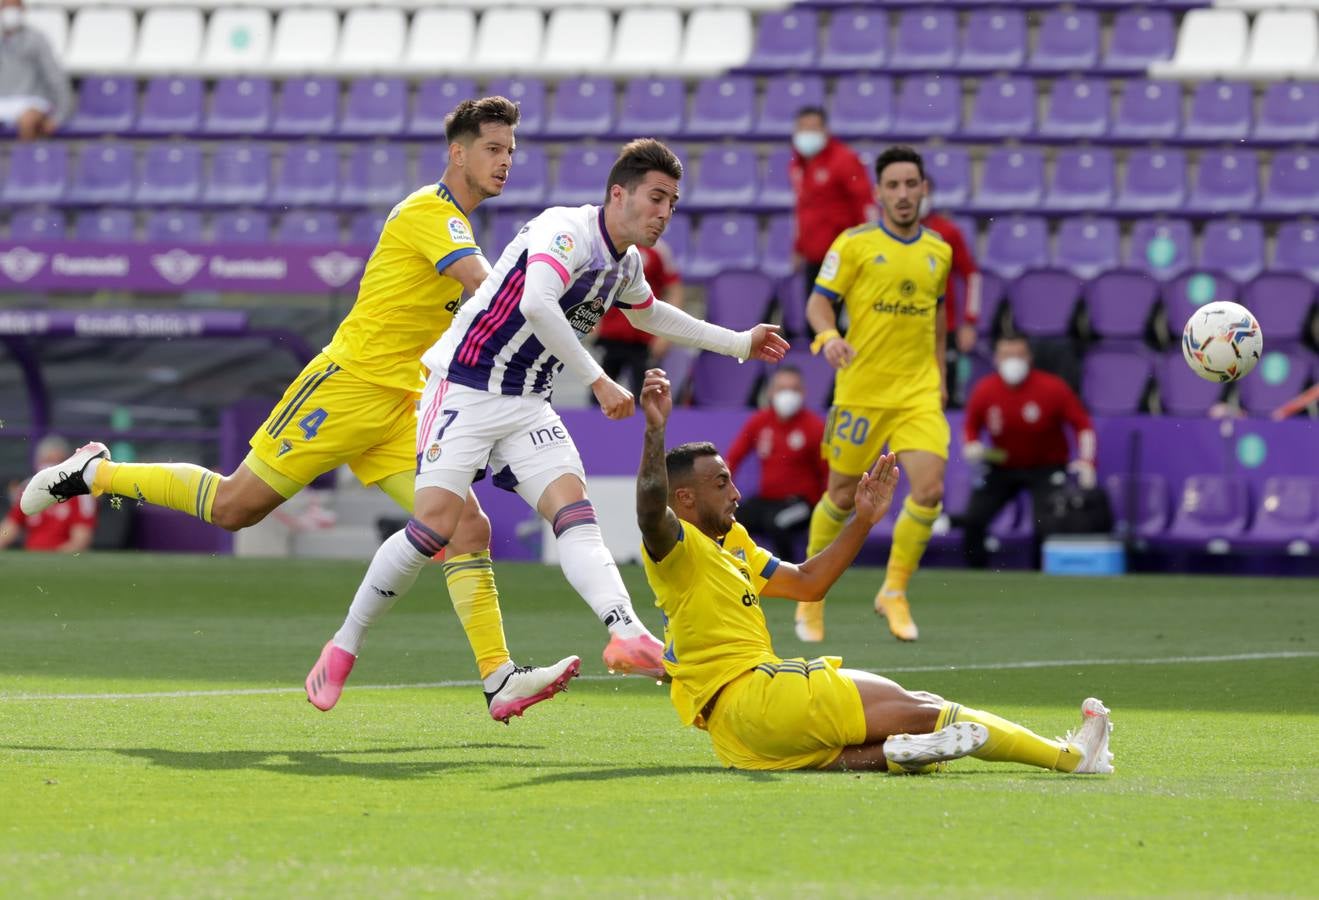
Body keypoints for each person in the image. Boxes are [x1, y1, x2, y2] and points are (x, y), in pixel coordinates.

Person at [21, 97, 579, 723]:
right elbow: (485, 289)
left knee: (466, 528)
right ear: (458, 152)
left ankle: (498, 678)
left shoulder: (465, 226)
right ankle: (95, 472)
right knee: (235, 507)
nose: (505, 162)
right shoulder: (431, 212)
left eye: (510, 151)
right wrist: (559, 299)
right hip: (345, 388)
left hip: (403, 404)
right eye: (493, 150)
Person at [330, 138, 789, 699]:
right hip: (464, 387)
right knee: (433, 530)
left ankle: (627, 634)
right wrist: (598, 379)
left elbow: (648, 313)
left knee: (575, 514)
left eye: (672, 201)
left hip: (527, 402)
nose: (664, 212)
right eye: (655, 197)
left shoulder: (627, 263)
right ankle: (346, 643)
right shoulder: (565, 231)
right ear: (618, 194)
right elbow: (536, 304)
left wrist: (739, 342)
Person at [633, 367, 1114, 774]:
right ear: (685, 500)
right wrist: (655, 431)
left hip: (739, 742)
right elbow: (651, 506)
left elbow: (808, 583)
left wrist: (862, 520)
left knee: (854, 752)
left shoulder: (732, 542)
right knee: (928, 709)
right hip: (759, 695)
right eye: (721, 483)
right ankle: (1071, 757)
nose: (736, 493)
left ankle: (893, 755)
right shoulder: (676, 544)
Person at [802, 145, 951, 644]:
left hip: (918, 392)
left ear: (924, 188)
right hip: (861, 391)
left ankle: (893, 590)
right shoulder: (854, 244)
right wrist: (828, 338)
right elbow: (819, 303)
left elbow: (938, 319)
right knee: (842, 496)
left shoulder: (940, 251)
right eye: (894, 186)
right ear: (879, 192)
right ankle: (810, 593)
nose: (904, 194)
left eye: (912, 184)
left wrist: (940, 375)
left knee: (929, 489)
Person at [960, 335, 1098, 569]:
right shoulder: (985, 390)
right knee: (974, 518)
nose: (1013, 361)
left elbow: (1083, 426)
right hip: (1003, 465)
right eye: (1006, 355)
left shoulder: (1052, 387)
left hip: (1046, 466)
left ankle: (1041, 573)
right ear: (996, 359)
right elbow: (971, 425)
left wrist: (1087, 462)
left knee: (1046, 523)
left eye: (1018, 355)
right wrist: (972, 444)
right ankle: (977, 571)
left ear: (1029, 358)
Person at [724, 365, 827, 560]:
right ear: (771, 391)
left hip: (801, 502)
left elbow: (827, 474)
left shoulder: (814, 427)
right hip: (766, 499)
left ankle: (792, 574)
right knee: (730, 522)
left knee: (778, 523)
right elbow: (733, 459)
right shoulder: (760, 422)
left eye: (793, 389)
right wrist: (723, 492)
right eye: (781, 388)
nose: (787, 395)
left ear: (803, 393)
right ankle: (737, 570)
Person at [789, 106, 874, 330]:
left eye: (813, 128)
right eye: (803, 128)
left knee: (842, 327)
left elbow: (865, 205)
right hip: (814, 259)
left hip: (843, 258)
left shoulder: (844, 160)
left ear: (825, 130)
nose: (807, 133)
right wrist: (799, 247)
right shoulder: (798, 164)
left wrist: (869, 247)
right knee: (816, 326)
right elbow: (803, 209)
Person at [593, 236, 684, 396]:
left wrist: (666, 335)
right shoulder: (606, 246)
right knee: (600, 397)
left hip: (644, 340)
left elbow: (674, 289)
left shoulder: (658, 250)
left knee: (645, 397)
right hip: (610, 336)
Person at [919, 176, 982, 403]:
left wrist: (970, 321)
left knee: (947, 395)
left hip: (944, 329)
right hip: (903, 329)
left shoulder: (948, 232)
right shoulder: (886, 234)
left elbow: (971, 276)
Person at [1, 436, 96, 552]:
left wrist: (52, 560)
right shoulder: (28, 487)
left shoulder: (80, 493)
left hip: (63, 560)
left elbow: (80, 540)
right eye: (47, 461)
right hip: (31, 557)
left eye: (57, 462)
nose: (50, 467)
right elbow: (9, 529)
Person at [0, 0, 72, 140]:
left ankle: (26, 160)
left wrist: (59, 116)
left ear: (22, 10)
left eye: (12, 8)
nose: (8, 12)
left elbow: (55, 77)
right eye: (4, 7)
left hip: (32, 100)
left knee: (28, 121)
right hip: (3, 101)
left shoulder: (37, 39)